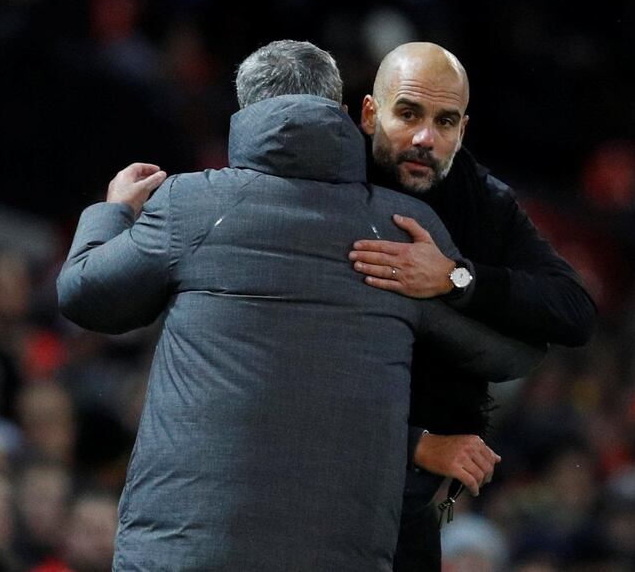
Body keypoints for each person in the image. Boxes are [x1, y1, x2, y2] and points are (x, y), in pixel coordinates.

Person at [56, 40, 544, 571]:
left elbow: (85, 297)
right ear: (342, 110)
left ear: (245, 112)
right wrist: (453, 279)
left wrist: (113, 212)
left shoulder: (190, 204)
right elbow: (507, 354)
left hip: (185, 551)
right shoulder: (402, 228)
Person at [350, 42, 597, 570]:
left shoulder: (482, 199)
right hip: (313, 483)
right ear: (370, 114)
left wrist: (455, 278)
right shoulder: (322, 183)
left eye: (445, 122)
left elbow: (575, 310)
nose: (425, 139)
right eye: (409, 114)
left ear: (463, 130)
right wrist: (418, 443)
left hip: (409, 496)